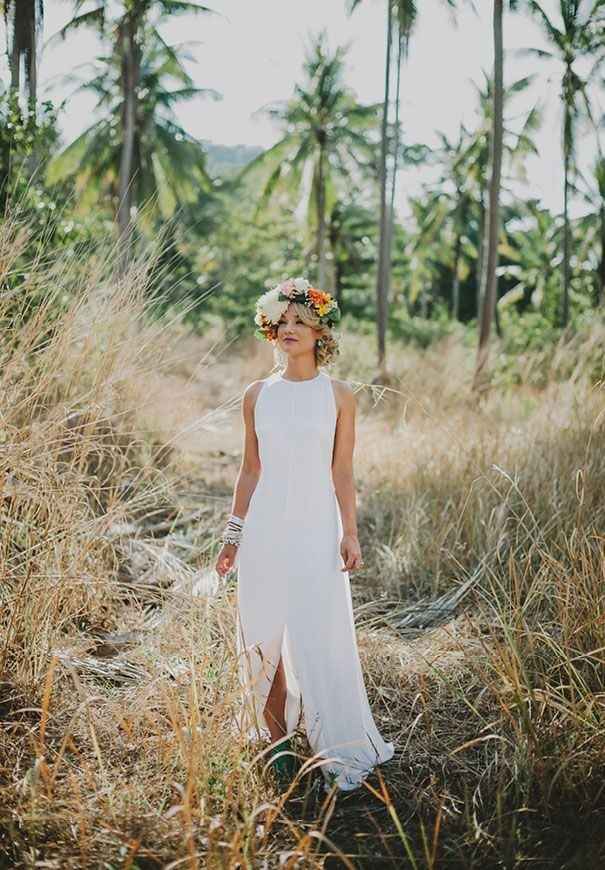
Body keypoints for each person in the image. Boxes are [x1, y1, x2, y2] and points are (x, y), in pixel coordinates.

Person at [215, 276, 394, 794]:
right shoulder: (256, 395)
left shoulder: (339, 396)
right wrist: (233, 536)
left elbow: (342, 472)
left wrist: (350, 533)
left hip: (317, 529)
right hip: (265, 530)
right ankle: (276, 747)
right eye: (283, 321)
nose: (289, 328)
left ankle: (330, 741)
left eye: (301, 321)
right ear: (270, 328)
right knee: (263, 631)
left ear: (321, 332)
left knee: (319, 633)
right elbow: (249, 471)